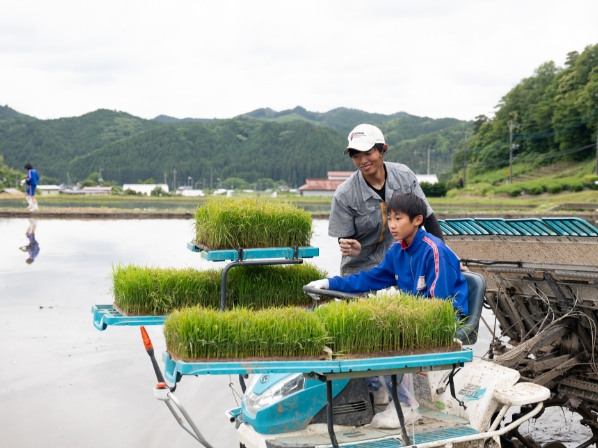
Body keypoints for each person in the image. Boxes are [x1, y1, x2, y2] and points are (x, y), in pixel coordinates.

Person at [309, 193, 468, 316]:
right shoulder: (396, 250)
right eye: (389, 219)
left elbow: (438, 304)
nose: (392, 225)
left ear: (418, 220)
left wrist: (389, 307)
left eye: (398, 219)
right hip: (413, 315)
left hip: (447, 319)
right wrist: (328, 283)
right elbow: (369, 279)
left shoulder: (434, 251)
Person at [329, 124, 444, 276]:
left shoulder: (404, 176)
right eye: (356, 156)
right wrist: (350, 247)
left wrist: (442, 257)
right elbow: (344, 237)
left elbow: (428, 218)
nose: (362, 161)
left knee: (414, 299)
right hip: (359, 268)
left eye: (368, 153)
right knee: (359, 298)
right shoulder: (344, 194)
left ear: (383, 149)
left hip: (403, 261)